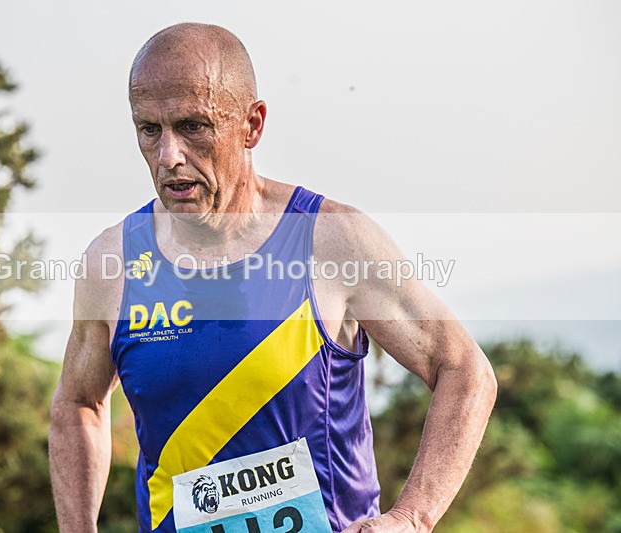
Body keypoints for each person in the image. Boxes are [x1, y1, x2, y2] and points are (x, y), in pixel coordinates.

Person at [49, 22, 497, 533]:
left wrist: (412, 517)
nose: (169, 155)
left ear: (252, 125)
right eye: (150, 130)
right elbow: (78, 403)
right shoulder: (112, 264)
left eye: (193, 126)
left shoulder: (332, 240)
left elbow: (464, 370)